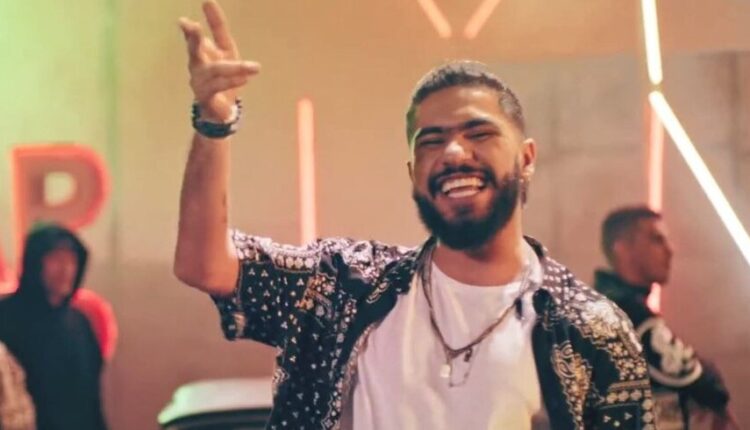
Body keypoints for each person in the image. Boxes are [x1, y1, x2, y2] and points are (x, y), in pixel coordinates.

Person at [174, 2, 656, 428]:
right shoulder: (344, 285)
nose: (453, 152)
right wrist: (214, 124)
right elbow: (204, 265)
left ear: (526, 158)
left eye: (479, 133)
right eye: (431, 140)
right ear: (413, 172)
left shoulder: (592, 331)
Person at [594, 206, 738, 430]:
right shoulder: (625, 315)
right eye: (656, 239)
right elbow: (703, 383)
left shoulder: (606, 307)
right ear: (623, 249)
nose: (670, 250)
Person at [0, 224, 107, 430]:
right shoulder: (5, 318)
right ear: (35, 263)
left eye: (71, 260)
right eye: (55, 259)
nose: (65, 269)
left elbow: (91, 399)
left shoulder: (79, 324)